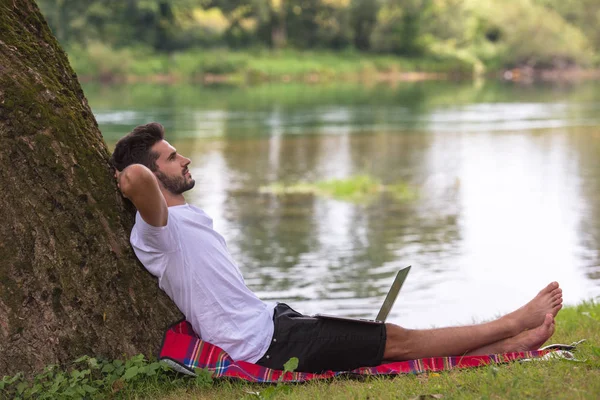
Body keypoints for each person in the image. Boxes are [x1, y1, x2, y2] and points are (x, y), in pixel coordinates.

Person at [110, 122, 563, 373]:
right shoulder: (155, 232)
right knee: (397, 341)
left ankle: (509, 344)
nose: (185, 158)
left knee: (382, 341)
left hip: (274, 322)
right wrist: (126, 172)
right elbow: (135, 179)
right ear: (153, 172)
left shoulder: (188, 219)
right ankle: (511, 325)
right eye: (172, 156)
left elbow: (143, 176)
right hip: (263, 344)